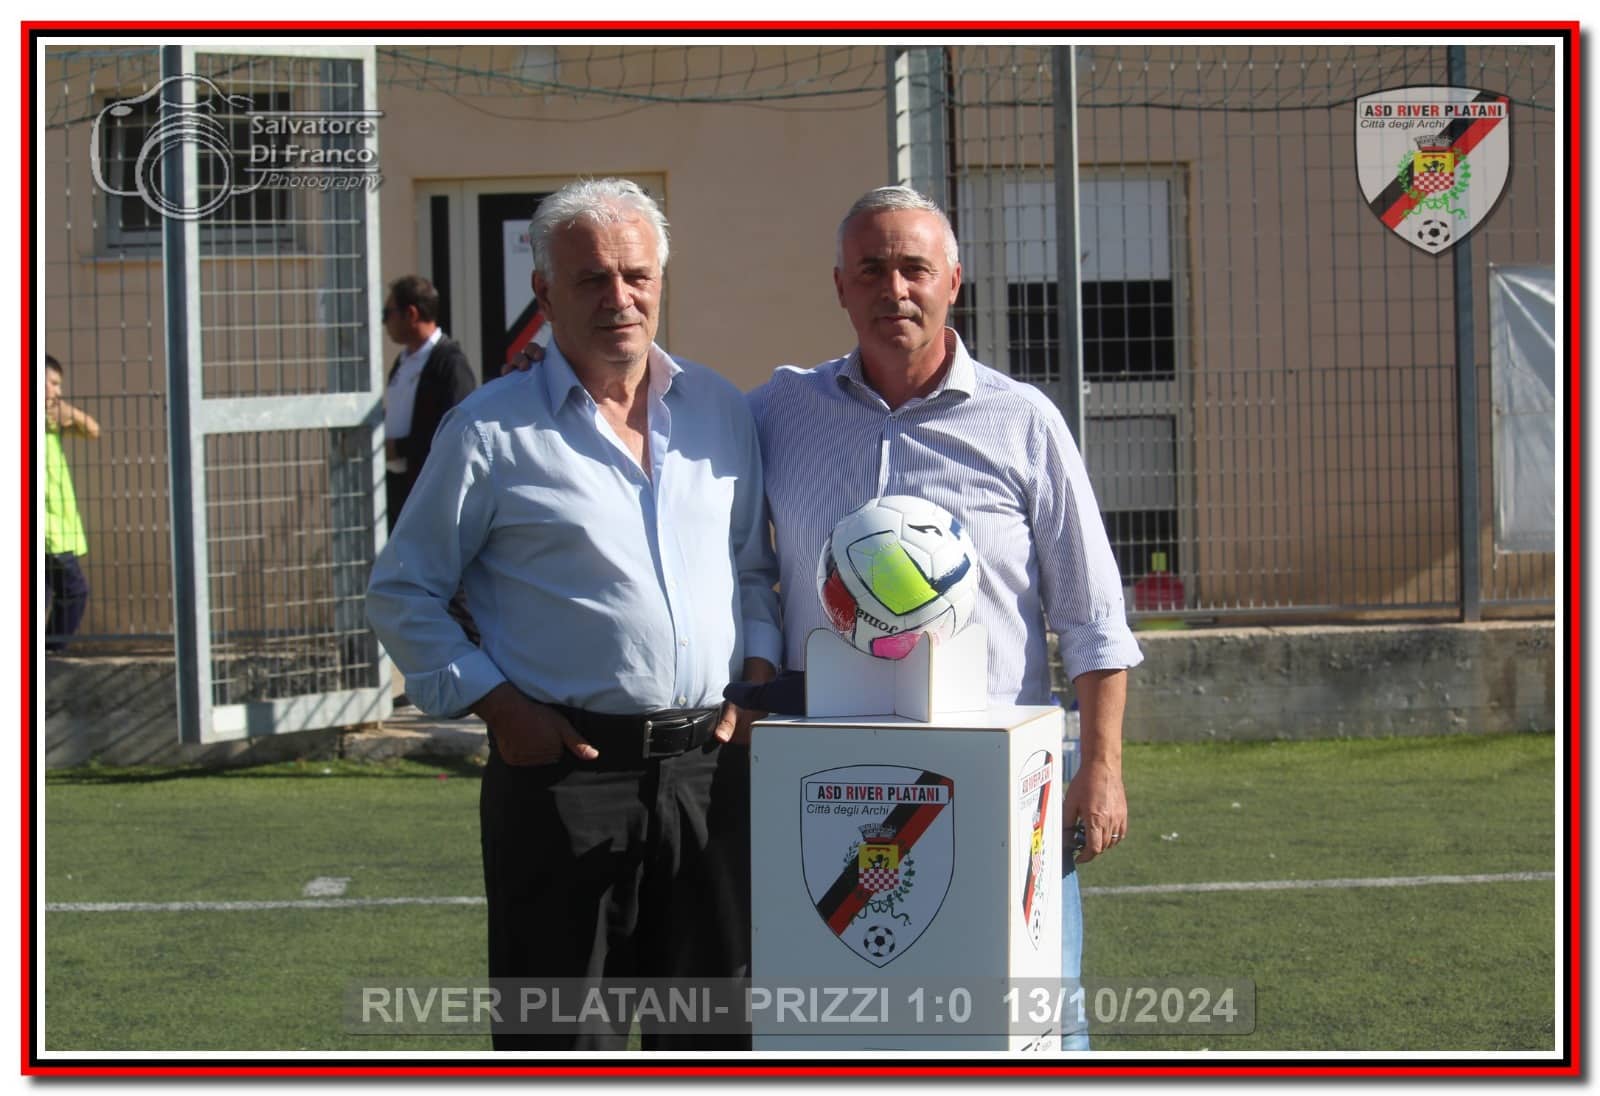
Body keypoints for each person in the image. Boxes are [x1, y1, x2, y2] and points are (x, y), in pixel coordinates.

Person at [365, 178, 781, 1051]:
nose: (619, 298)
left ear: (661, 281)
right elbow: (404, 590)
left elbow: (750, 567)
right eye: (591, 278)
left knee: (713, 1041)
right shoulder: (489, 430)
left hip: (712, 776)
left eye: (637, 275)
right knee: (560, 1044)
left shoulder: (720, 410)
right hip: (564, 778)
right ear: (545, 293)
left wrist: (757, 674)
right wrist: (497, 705)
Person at [747, 186, 1143, 1050]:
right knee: (848, 1027)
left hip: (998, 782)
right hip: (834, 787)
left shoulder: (1022, 422)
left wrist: (1102, 768)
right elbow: (723, 531)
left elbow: (1093, 615)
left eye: (914, 268)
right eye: (871, 269)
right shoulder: (780, 412)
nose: (894, 288)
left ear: (953, 281)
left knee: (1035, 1019)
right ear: (840, 286)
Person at [381, 274, 476, 529]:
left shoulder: (450, 363)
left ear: (411, 314)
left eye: (387, 313)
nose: (385, 322)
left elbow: (456, 432)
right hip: (399, 487)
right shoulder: (403, 361)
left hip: (431, 492)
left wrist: (399, 448)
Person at [44, 354, 99, 652]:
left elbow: (93, 430)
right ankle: (50, 652)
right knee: (75, 591)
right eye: (53, 383)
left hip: (57, 526)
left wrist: (69, 412)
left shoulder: (52, 419)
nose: (58, 390)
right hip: (47, 530)